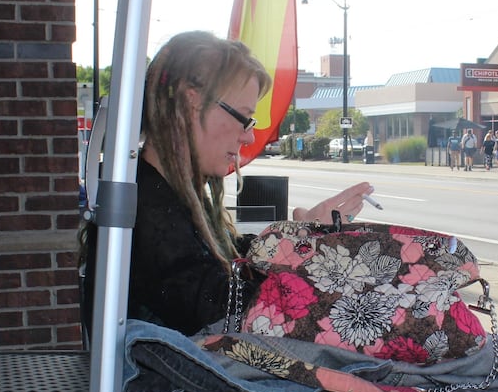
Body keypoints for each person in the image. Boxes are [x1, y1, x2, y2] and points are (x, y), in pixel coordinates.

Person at [80, 31, 374, 337]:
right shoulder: (146, 207)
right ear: (190, 103)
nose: (248, 136)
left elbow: (227, 256)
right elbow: (228, 310)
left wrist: (301, 234)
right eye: (244, 118)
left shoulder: (166, 193)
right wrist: (301, 250)